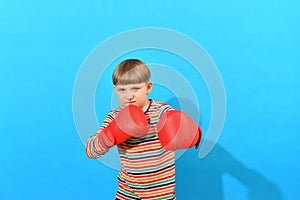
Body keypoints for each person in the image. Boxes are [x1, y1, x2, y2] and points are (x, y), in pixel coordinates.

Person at [86, 59, 202, 200]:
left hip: (160, 194)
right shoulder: (115, 116)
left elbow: (183, 130)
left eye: (135, 89)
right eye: (122, 90)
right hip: (127, 193)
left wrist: (192, 134)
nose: (129, 96)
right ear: (115, 90)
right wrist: (110, 135)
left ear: (148, 88)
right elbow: (91, 151)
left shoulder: (161, 111)